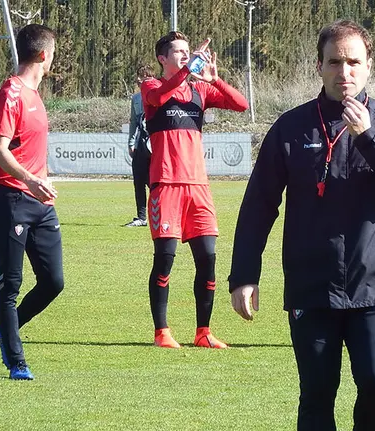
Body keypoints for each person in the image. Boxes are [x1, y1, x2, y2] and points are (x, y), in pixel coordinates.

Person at [229, 20, 375, 431]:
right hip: (312, 287)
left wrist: (368, 135)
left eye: (354, 62)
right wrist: (244, 275)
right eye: (335, 62)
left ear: (369, 66)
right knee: (317, 395)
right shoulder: (291, 128)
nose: (344, 72)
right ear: (319, 66)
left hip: (374, 284)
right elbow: (258, 206)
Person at [141, 31, 249, 348]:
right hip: (166, 186)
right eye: (178, 51)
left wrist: (215, 80)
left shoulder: (199, 90)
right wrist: (189, 70)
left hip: (198, 188)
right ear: (162, 58)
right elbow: (160, 97)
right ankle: (162, 333)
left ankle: (203, 332)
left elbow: (241, 105)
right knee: (165, 259)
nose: (185, 55)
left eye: (188, 51)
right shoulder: (151, 86)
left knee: (208, 259)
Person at [0, 24, 64, 380]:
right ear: (43, 55)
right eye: (53, 53)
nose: (53, 60)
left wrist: (43, 180)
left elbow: (30, 150)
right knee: (10, 285)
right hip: (11, 198)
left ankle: (7, 328)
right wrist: (30, 179)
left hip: (40, 203)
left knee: (53, 281)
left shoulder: (35, 95)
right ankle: (16, 361)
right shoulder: (12, 92)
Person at [124, 65, 156, 227]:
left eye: (142, 76)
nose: (138, 79)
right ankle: (141, 217)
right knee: (138, 181)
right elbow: (134, 122)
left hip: (155, 146)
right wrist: (131, 143)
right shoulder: (136, 99)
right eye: (138, 76)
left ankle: (160, 213)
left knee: (154, 182)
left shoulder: (158, 94)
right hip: (140, 145)